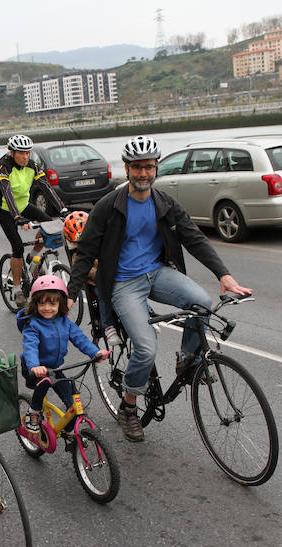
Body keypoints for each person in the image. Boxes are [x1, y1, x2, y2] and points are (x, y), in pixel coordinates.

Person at [67, 135, 251, 443]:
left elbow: (194, 238)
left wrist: (224, 275)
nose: (143, 174)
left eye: (149, 167)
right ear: (126, 169)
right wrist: (70, 294)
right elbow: (85, 253)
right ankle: (129, 407)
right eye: (136, 167)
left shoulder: (164, 203)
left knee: (203, 304)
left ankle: (188, 360)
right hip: (123, 284)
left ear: (156, 168)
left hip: (157, 273)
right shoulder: (108, 206)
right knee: (146, 347)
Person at [17, 275, 107, 436]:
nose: (47, 308)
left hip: (56, 368)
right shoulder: (33, 325)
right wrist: (34, 366)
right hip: (35, 369)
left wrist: (95, 352)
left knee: (72, 404)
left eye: (53, 303)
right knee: (44, 382)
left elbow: (80, 339)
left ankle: (68, 433)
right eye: (42, 303)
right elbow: (30, 347)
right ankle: (34, 411)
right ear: (35, 303)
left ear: (61, 304)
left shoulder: (65, 322)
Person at [0, 134, 66, 307]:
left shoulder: (33, 166)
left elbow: (47, 188)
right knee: (17, 246)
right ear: (12, 152)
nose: (25, 157)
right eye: (21, 153)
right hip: (4, 210)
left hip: (23, 206)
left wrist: (63, 209)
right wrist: (17, 217)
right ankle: (17, 288)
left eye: (27, 153)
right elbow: (7, 193)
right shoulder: (4, 167)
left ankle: (32, 256)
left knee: (48, 224)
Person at [63, 210, 122, 347]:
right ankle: (108, 326)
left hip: (116, 276)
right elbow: (87, 272)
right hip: (97, 282)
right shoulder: (77, 256)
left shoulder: (104, 241)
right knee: (104, 291)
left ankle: (146, 314)